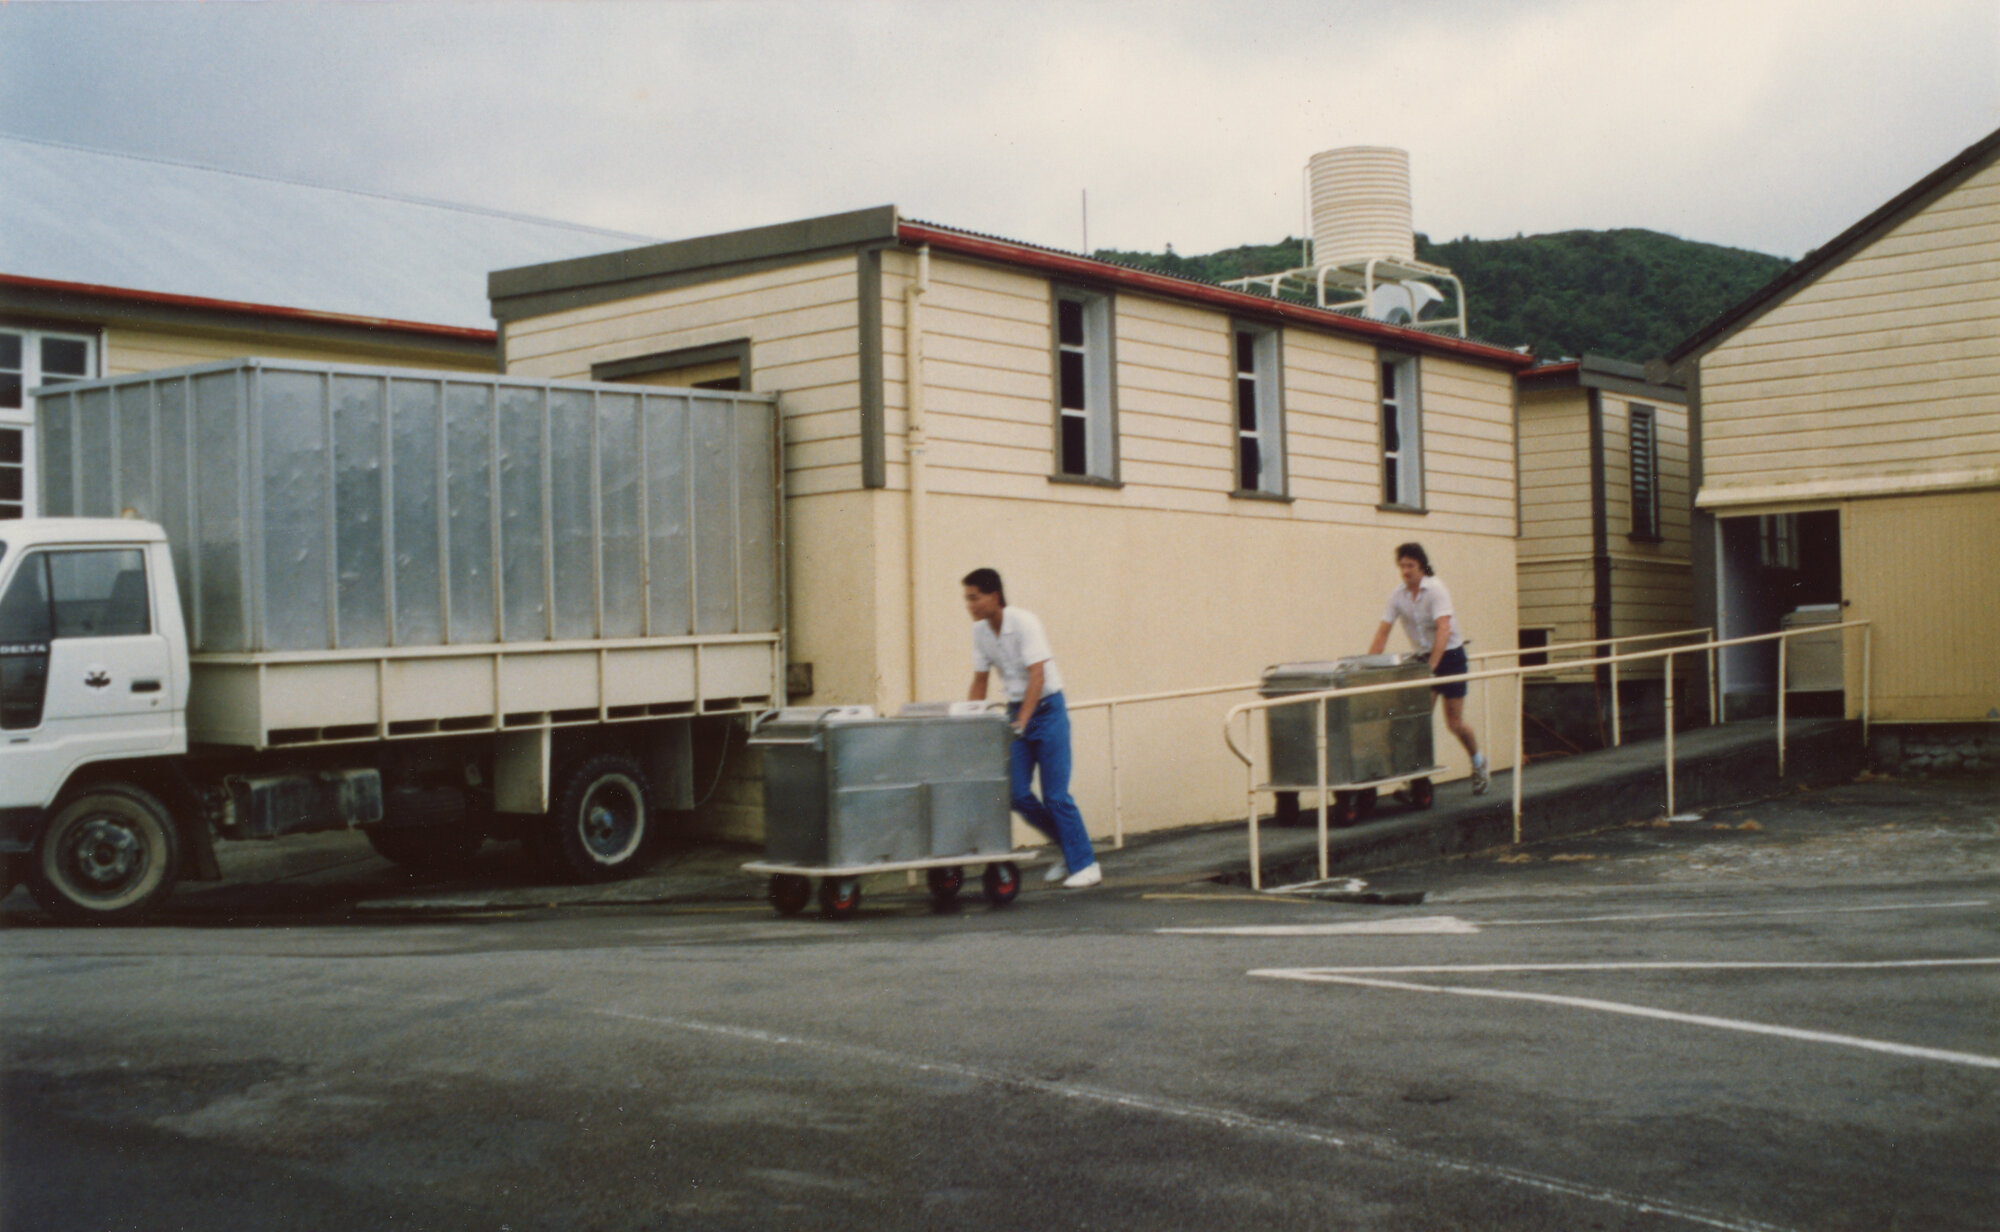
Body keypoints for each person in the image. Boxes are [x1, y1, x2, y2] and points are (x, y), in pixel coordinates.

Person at [963, 568, 1101, 888]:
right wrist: (969, 719)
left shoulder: (1025, 622)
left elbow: (1037, 674)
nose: (969, 605)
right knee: (1016, 794)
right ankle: (1070, 850)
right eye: (967, 599)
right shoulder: (980, 633)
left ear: (994, 596)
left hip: (1048, 710)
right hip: (1017, 711)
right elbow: (980, 679)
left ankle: (1087, 865)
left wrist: (1024, 720)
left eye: (974, 598)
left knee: (1055, 795)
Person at [1368, 542, 1491, 794]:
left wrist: (1434, 665)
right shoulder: (1398, 596)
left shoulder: (1436, 589)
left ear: (1421, 566)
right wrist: (1367, 666)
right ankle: (1417, 779)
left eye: (1410, 565)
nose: (1406, 571)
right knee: (1416, 722)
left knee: (1454, 723)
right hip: (1424, 660)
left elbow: (1443, 628)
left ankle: (1478, 763)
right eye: (1402, 565)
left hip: (1450, 657)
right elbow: (1383, 631)